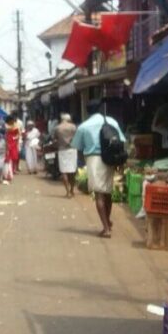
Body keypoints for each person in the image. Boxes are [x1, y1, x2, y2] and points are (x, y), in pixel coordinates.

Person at [72, 100, 126, 238]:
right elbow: (122, 141)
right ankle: (107, 221)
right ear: (101, 108)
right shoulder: (112, 122)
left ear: (87, 111)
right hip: (110, 158)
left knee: (99, 194)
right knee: (107, 191)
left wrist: (82, 163)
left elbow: (77, 147)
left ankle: (106, 228)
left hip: (94, 159)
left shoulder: (84, 126)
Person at [54, 113, 79, 197]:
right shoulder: (73, 126)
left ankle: (67, 192)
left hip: (62, 150)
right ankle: (72, 190)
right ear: (69, 119)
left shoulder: (58, 128)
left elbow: (55, 138)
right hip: (72, 149)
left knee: (64, 171)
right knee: (72, 171)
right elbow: (77, 136)